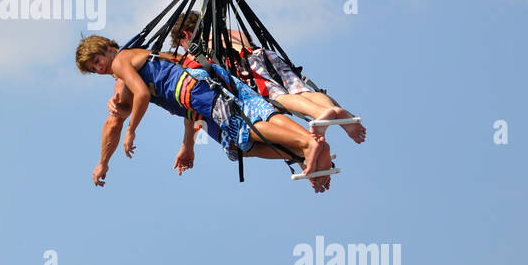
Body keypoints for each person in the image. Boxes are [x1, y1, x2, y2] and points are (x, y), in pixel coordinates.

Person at [75, 35, 334, 193]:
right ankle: (300, 152)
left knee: (246, 126)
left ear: (108, 48)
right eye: (94, 69)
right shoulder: (127, 71)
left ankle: (307, 144)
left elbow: (141, 94)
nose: (100, 68)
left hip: (195, 88)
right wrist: (188, 145)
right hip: (194, 97)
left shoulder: (121, 61)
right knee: (237, 145)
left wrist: (131, 131)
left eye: (98, 60)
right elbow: (124, 114)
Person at [167, 12, 365, 144]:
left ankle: (318, 115)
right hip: (266, 56)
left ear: (185, 35)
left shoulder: (199, 48)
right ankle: (332, 109)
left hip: (247, 66)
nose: (185, 48)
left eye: (182, 44)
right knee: (302, 91)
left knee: (277, 98)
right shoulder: (229, 32)